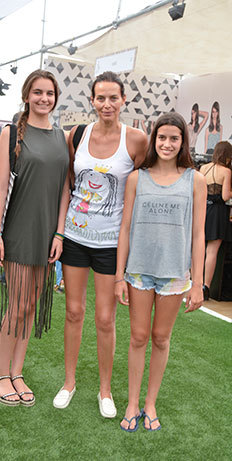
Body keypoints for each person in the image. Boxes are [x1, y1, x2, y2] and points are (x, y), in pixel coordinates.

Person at [53, 71, 148, 418]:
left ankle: (104, 391)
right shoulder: (75, 136)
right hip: (75, 238)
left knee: (106, 319)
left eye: (113, 97)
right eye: (100, 98)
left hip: (111, 244)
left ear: (123, 100)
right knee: (74, 311)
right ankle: (69, 383)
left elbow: (145, 185)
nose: (106, 104)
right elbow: (67, 186)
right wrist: (60, 233)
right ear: (91, 101)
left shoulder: (137, 140)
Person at [115, 112, 207, 432]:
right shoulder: (136, 178)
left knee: (160, 337)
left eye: (174, 138)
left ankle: (150, 403)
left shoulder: (195, 180)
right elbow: (125, 229)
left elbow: (198, 235)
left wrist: (198, 283)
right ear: (154, 139)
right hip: (138, 271)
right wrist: (118, 277)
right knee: (138, 336)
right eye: (162, 137)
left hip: (174, 275)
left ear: (183, 142)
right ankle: (131, 402)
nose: (167, 144)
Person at [0, 69, 69, 406]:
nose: (43, 98)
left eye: (49, 93)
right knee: (17, 305)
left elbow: (65, 188)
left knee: (31, 305)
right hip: (19, 231)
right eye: (37, 92)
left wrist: (60, 233)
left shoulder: (62, 136)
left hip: (48, 234)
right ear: (26, 95)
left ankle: (17, 372)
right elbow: (2, 186)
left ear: (55, 98)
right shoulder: (11, 132)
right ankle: (0, 375)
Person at [200, 141, 232, 300]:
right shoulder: (226, 171)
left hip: (203, 209)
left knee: (198, 248)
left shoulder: (203, 168)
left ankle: (195, 283)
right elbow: (225, 196)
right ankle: (206, 287)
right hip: (218, 212)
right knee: (212, 251)